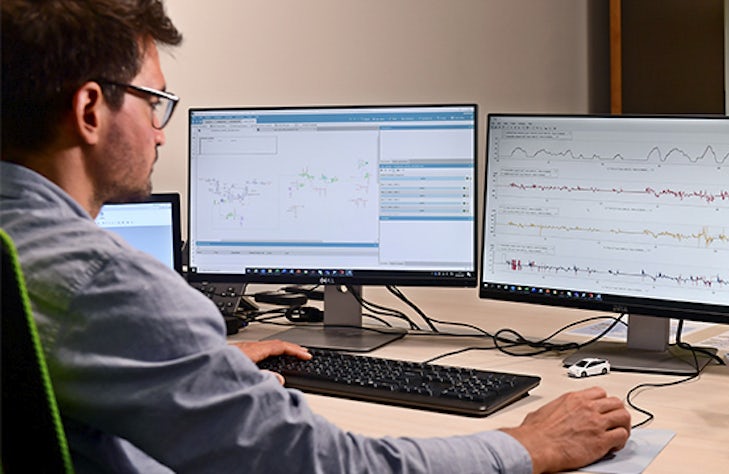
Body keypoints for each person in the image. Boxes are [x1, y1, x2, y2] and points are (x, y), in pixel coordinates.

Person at [0, 1, 631, 472]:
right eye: (154, 101)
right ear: (89, 111)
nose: (163, 132)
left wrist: (192, 370)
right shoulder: (104, 283)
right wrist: (524, 447)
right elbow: (328, 465)